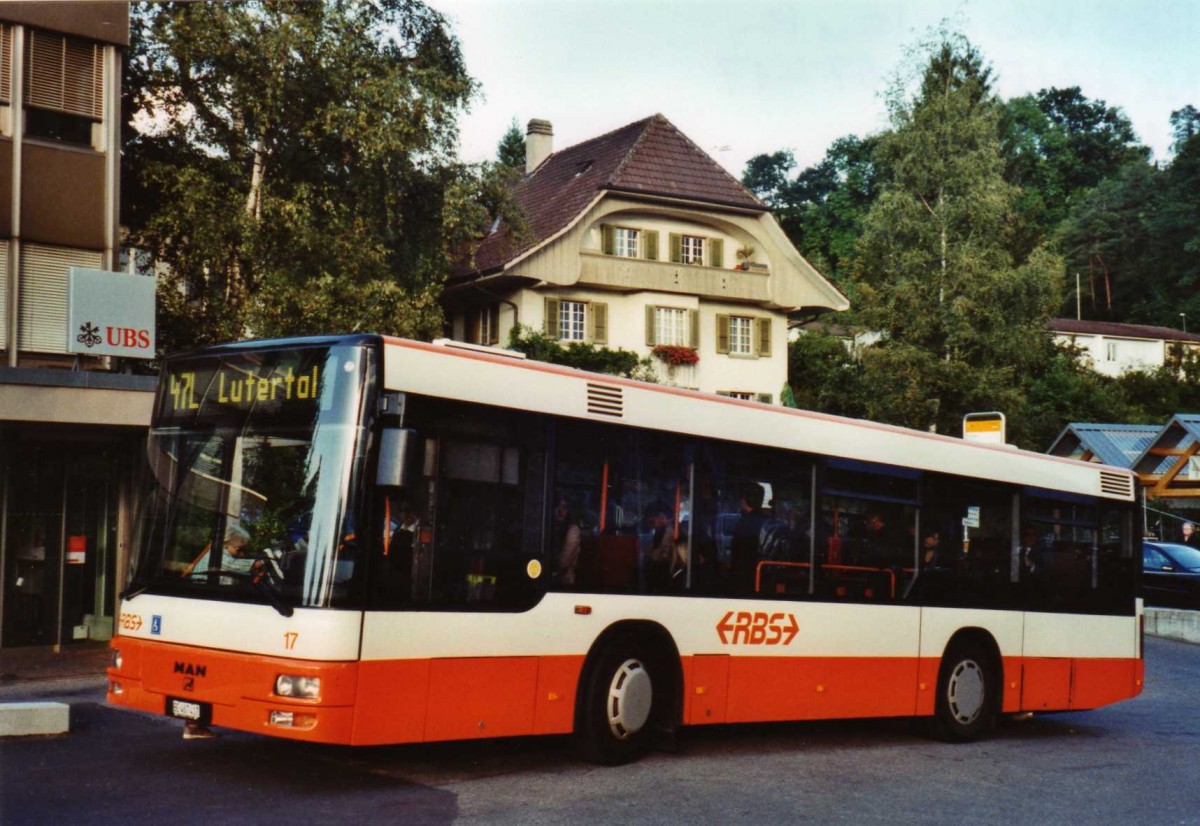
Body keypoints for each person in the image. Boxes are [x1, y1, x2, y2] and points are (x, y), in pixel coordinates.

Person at [731, 484, 769, 592]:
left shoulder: (744, 523)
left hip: (745, 574)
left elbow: (738, 553)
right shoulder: (767, 520)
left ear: (745, 501)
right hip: (762, 573)